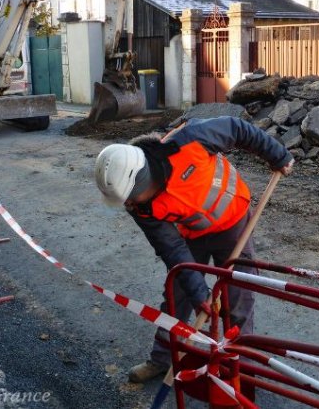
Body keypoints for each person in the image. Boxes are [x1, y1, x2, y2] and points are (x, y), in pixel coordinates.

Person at [94, 116, 294, 383]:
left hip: (234, 223)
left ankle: (242, 368)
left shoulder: (190, 142)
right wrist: (199, 292)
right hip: (193, 234)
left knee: (238, 296)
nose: (127, 204)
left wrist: (277, 155)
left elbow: (237, 128)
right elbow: (171, 247)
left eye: (130, 197)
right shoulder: (140, 207)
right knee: (178, 293)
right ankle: (162, 360)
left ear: (143, 180)